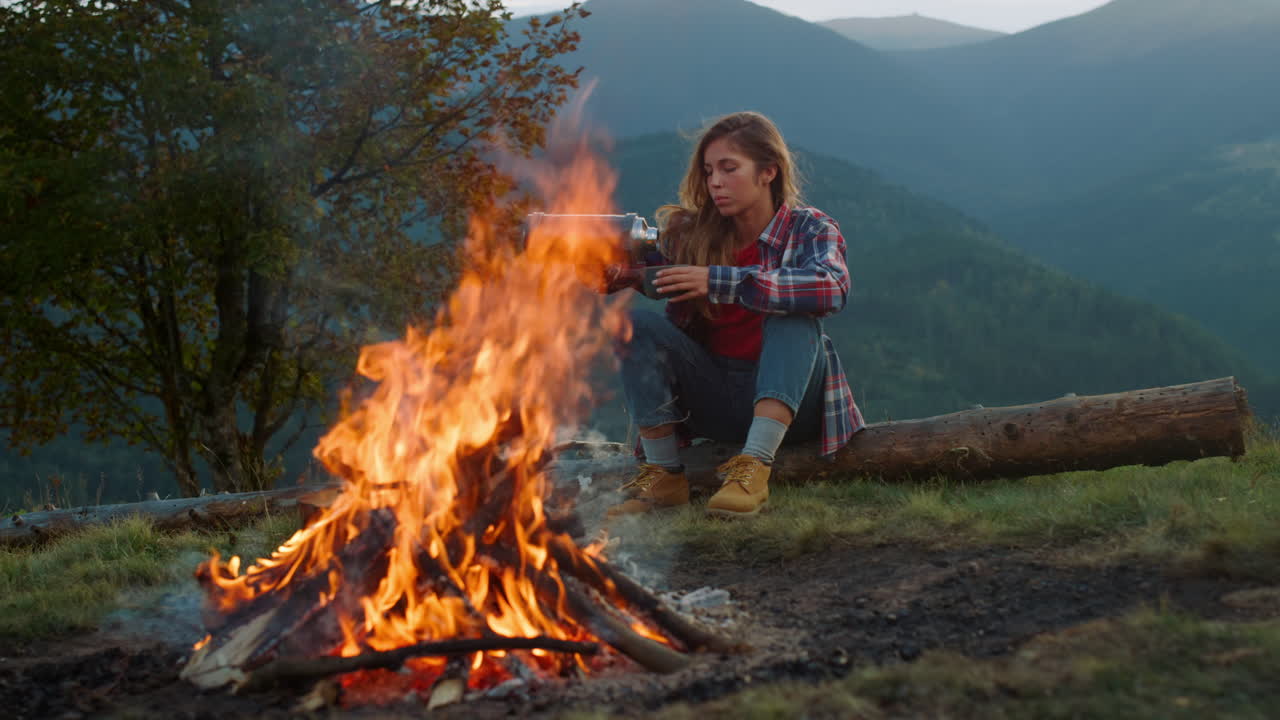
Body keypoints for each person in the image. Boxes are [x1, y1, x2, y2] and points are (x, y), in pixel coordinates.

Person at [607, 111, 865, 519]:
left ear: (768, 172)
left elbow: (830, 288)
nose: (715, 182)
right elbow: (644, 269)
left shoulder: (811, 228)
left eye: (729, 168)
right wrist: (616, 275)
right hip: (714, 400)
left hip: (793, 406)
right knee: (636, 326)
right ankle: (664, 473)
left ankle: (755, 467)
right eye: (709, 171)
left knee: (791, 312)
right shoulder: (693, 236)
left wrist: (717, 280)